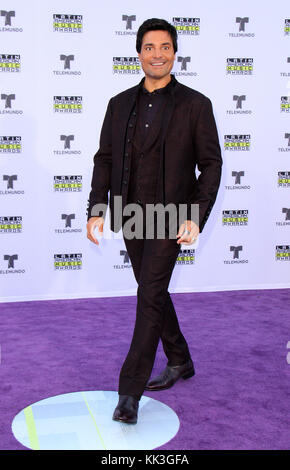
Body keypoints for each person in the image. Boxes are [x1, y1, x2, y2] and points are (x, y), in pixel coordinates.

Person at [87, 18, 222, 424]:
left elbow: (211, 165)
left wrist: (196, 215)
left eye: (165, 47)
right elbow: (105, 160)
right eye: (149, 47)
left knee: (147, 298)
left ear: (175, 53)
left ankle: (129, 392)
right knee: (152, 291)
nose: (157, 54)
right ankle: (179, 358)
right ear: (139, 52)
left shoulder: (196, 105)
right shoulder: (119, 103)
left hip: (171, 216)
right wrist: (97, 209)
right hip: (131, 213)